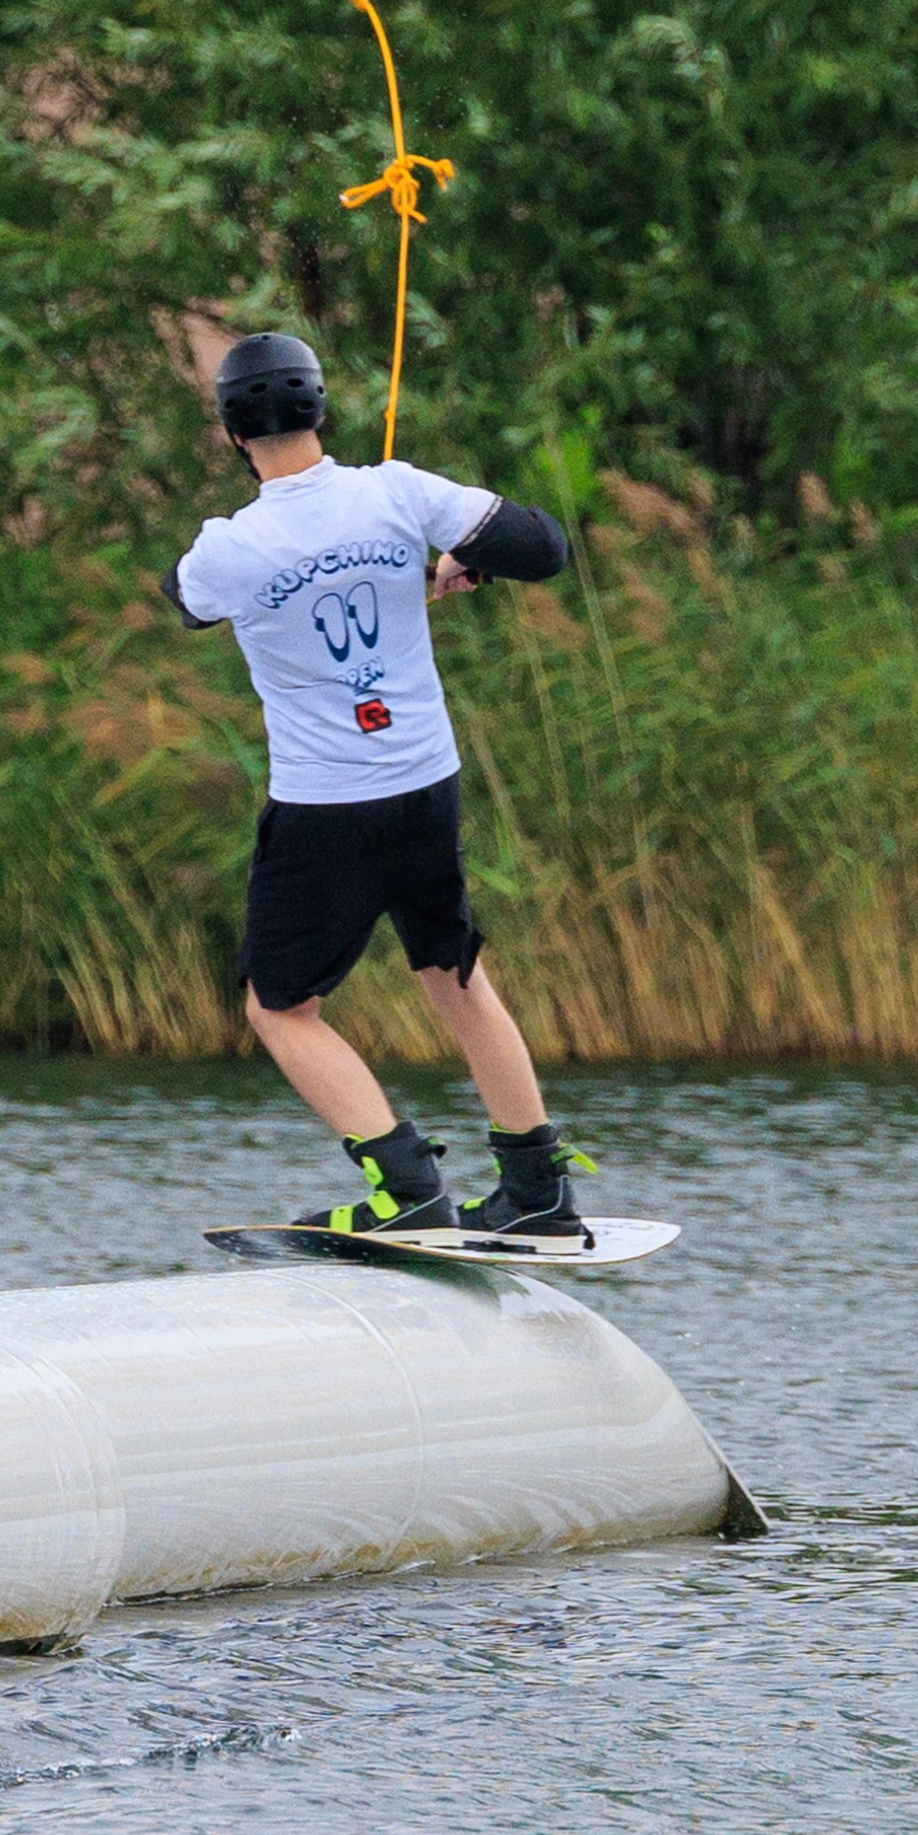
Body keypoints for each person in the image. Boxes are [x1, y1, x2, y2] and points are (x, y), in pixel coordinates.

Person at [161, 331, 584, 1247]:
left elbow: (184, 599)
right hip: (426, 784)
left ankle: (406, 1185)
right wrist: (442, 561)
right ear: (321, 409)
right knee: (455, 974)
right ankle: (538, 1189)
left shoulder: (230, 545)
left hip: (325, 811)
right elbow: (544, 548)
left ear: (233, 435)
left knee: (280, 1009)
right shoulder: (396, 491)